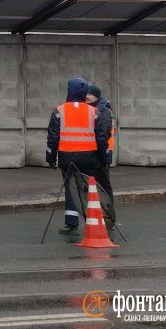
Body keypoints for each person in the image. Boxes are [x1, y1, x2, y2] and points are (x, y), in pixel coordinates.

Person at [45, 77, 105, 234]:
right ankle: (93, 221)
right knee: (89, 189)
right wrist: (104, 159)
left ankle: (71, 225)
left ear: (69, 91)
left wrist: (50, 158)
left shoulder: (59, 110)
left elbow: (52, 137)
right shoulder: (94, 111)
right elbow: (101, 137)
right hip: (89, 157)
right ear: (84, 92)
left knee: (70, 189)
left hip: (67, 157)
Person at [86, 83, 116, 223]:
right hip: (97, 153)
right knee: (98, 185)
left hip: (102, 153)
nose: (86, 97)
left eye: (89, 95)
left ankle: (108, 214)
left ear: (95, 96)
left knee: (103, 186)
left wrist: (103, 157)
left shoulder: (103, 110)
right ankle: (102, 213)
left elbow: (103, 135)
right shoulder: (95, 108)